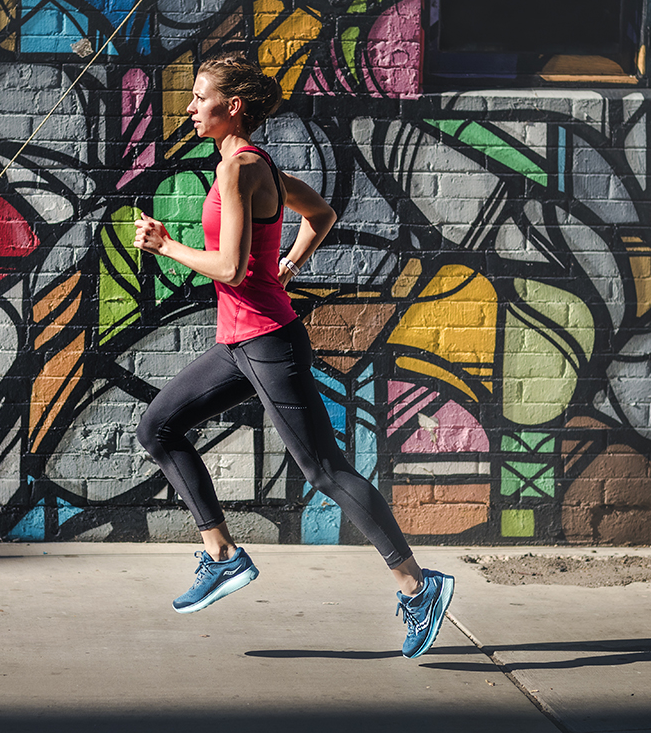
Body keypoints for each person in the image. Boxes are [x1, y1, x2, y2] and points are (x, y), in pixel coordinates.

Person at [132, 54, 453, 658]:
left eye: (200, 98)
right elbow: (321, 215)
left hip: (264, 343)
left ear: (232, 109)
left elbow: (228, 267)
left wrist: (167, 244)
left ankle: (418, 585)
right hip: (243, 342)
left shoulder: (239, 171)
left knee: (325, 471)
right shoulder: (259, 169)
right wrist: (291, 262)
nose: (190, 108)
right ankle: (223, 553)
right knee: (158, 426)